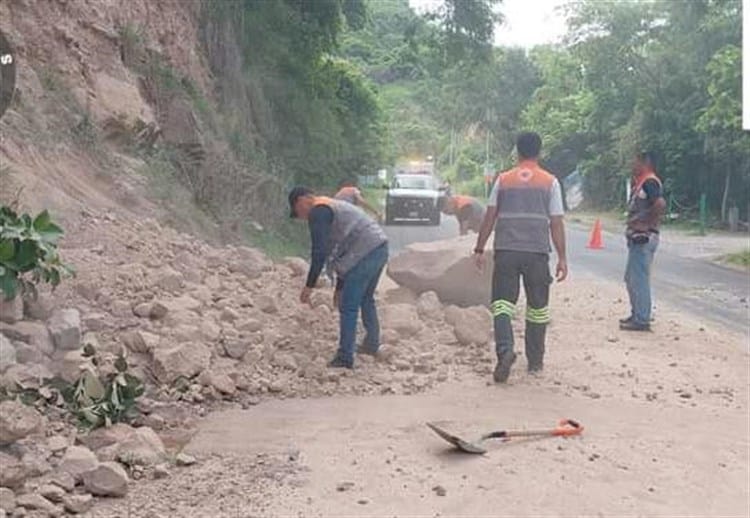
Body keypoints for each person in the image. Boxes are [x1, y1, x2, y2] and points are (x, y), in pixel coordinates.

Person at [472, 132, 568, 383]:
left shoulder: (503, 180)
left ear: (517, 152)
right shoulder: (550, 182)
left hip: (507, 251)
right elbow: (556, 222)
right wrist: (562, 257)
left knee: (502, 304)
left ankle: (505, 351)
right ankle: (535, 362)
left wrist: (479, 248)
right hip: (537, 253)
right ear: (540, 152)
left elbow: (489, 217)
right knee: (537, 308)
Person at [289, 187, 389, 368]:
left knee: (348, 306)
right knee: (366, 299)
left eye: (297, 210)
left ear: (302, 200)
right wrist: (340, 286)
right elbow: (341, 248)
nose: (300, 216)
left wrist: (309, 285)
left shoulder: (318, 211)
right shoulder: (329, 206)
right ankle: (372, 344)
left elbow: (320, 250)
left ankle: (345, 357)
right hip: (379, 246)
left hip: (366, 251)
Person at [620, 151, 665, 332]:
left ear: (645, 161)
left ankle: (642, 319)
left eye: (635, 160)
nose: (632, 164)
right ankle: (637, 314)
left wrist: (645, 222)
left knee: (639, 279)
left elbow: (660, 204)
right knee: (632, 278)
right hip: (638, 237)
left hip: (644, 237)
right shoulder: (641, 182)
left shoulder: (650, 182)